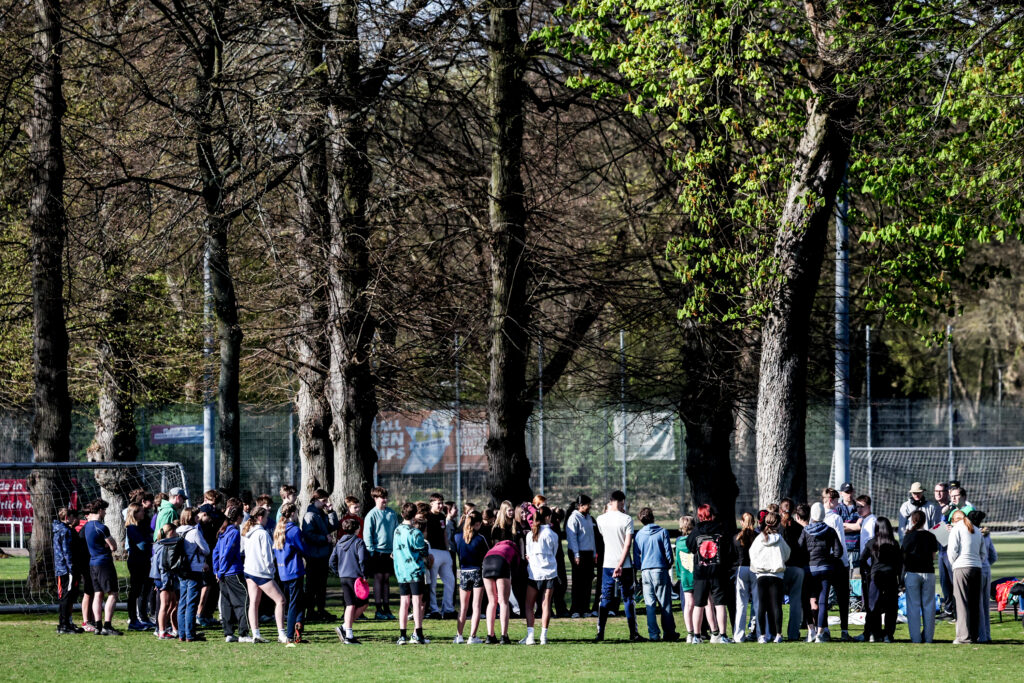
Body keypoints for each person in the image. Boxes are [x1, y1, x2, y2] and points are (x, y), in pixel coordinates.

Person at [595, 490, 643, 642]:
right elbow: (627, 544)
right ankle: (633, 633)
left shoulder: (600, 519)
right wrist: (621, 564)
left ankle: (600, 633)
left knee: (605, 599)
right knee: (628, 599)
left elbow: (604, 537)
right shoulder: (627, 519)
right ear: (622, 501)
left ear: (610, 501)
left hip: (607, 564)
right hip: (625, 565)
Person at [685, 503, 734, 644]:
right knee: (720, 604)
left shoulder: (696, 531)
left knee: (699, 605)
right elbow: (728, 549)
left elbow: (690, 546)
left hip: (701, 573)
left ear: (699, 515)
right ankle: (723, 635)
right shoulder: (720, 529)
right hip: (718, 572)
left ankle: (696, 636)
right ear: (711, 514)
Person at [241, 506, 286, 643]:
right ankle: (281, 634)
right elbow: (268, 557)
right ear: (260, 518)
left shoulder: (247, 531)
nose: (267, 520)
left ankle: (256, 634)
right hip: (261, 572)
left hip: (249, 570)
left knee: (254, 602)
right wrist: (271, 571)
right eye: (266, 517)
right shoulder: (263, 534)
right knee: (280, 600)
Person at [800, 501, 843, 642]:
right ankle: (820, 632)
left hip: (810, 569)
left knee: (808, 599)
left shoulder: (806, 531)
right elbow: (839, 551)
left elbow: (800, 548)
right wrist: (830, 559)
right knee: (823, 601)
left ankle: (810, 629)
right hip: (825, 568)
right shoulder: (830, 531)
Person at [635, 506, 678, 642]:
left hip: (646, 570)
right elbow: (668, 553)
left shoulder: (639, 535)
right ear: (653, 517)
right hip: (660, 569)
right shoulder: (662, 532)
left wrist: (640, 567)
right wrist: (668, 564)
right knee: (665, 603)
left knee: (650, 604)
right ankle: (669, 632)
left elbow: (636, 557)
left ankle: (653, 634)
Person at [82, 499, 122, 636]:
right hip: (104, 563)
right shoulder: (101, 527)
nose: (105, 513)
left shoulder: (86, 526)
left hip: (92, 563)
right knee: (113, 594)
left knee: (98, 594)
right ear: (100, 511)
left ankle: (98, 625)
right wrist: (108, 545)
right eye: (104, 510)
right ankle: (107, 625)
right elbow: (114, 546)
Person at [749, 511, 790, 643]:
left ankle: (762, 636)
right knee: (776, 605)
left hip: (762, 575)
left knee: (762, 606)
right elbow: (787, 553)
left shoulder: (759, 539)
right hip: (776, 575)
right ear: (777, 524)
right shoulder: (780, 539)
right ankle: (778, 634)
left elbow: (752, 554)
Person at [393, 501, 430, 644]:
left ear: (402, 514)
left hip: (401, 571)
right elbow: (423, 550)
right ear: (415, 515)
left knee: (404, 602)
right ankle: (418, 633)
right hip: (415, 571)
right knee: (416, 601)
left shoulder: (397, 530)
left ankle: (402, 635)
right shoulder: (416, 533)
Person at [522, 506, 558, 645]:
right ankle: (543, 636)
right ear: (548, 517)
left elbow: (528, 554)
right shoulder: (552, 535)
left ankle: (530, 636)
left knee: (529, 605)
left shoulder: (530, 534)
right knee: (546, 604)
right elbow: (554, 553)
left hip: (534, 573)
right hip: (549, 573)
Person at [273, 502, 308, 645]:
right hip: (294, 570)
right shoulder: (294, 531)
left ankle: (298, 629)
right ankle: (290, 635)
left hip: (283, 571)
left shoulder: (278, 529)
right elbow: (303, 549)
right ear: (293, 513)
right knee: (294, 603)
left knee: (299, 601)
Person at [212, 505, 249, 642]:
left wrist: (217, 570)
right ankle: (243, 633)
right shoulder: (233, 531)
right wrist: (220, 571)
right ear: (238, 517)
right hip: (232, 572)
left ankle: (229, 633)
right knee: (244, 600)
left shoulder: (224, 530)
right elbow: (228, 552)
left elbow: (215, 552)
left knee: (226, 603)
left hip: (223, 574)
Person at [329, 516, 369, 644]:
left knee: (351, 604)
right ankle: (348, 633)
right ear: (357, 529)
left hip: (344, 577)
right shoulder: (359, 542)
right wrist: (364, 574)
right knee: (359, 604)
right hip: (355, 577)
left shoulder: (339, 543)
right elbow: (362, 560)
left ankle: (346, 628)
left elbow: (331, 561)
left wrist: (338, 572)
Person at [861, 517, 901, 642]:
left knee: (874, 606)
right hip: (890, 577)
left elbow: (862, 560)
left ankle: (874, 633)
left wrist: (869, 570)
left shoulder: (871, 543)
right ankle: (888, 634)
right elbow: (899, 563)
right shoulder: (894, 544)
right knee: (891, 608)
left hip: (876, 576)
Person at [821, 487, 853, 640]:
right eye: (835, 500)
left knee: (824, 597)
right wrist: (845, 562)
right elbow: (841, 542)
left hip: (822, 561)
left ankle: (824, 629)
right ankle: (844, 630)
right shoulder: (835, 518)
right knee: (842, 597)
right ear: (830, 500)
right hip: (837, 561)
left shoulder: (817, 517)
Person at [301, 488, 338, 622]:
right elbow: (308, 535)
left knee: (321, 586)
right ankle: (311, 612)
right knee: (312, 586)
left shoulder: (321, 514)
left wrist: (331, 512)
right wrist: (324, 539)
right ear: (315, 500)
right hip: (314, 556)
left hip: (322, 555)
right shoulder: (310, 515)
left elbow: (333, 526)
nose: (326, 503)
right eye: (323, 501)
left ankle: (320, 610)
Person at [901, 509, 938, 643]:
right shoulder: (931, 536)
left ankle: (915, 638)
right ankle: (928, 638)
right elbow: (933, 556)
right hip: (928, 572)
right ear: (924, 521)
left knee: (913, 606)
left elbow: (903, 556)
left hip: (912, 572)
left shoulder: (908, 536)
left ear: (912, 521)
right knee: (929, 606)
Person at [174, 507, 210, 642]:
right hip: (194, 568)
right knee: (192, 602)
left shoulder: (177, 531)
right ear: (192, 517)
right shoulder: (194, 532)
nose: (198, 518)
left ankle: (182, 633)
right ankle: (190, 634)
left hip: (180, 569)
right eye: (196, 516)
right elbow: (205, 550)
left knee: (182, 601)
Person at [947, 509, 983, 644]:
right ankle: (974, 635)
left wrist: (954, 565)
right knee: (974, 603)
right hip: (976, 568)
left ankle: (963, 637)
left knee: (961, 603)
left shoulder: (957, 529)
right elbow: (983, 553)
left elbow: (952, 551)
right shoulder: (977, 530)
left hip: (961, 567)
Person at [364, 486, 399, 620]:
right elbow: (367, 535)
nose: (384, 500)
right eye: (381, 497)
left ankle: (387, 608)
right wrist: (371, 550)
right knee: (379, 579)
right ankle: (378, 609)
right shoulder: (371, 515)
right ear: (375, 498)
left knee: (386, 580)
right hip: (377, 552)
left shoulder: (391, 513)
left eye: (385, 497)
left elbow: (396, 532)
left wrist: (395, 549)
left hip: (390, 552)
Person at [454, 510, 489, 644]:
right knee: (476, 606)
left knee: (463, 607)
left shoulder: (458, 537)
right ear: (478, 523)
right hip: (477, 571)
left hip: (463, 572)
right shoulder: (480, 538)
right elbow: (487, 554)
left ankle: (459, 635)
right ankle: (472, 636)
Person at [969, 510, 998, 643]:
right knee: (986, 604)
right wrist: (986, 564)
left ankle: (981, 636)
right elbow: (994, 556)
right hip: (987, 569)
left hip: (976, 570)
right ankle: (987, 634)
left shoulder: (972, 534)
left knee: (978, 604)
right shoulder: (986, 535)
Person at [425, 493, 456, 619]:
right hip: (432, 551)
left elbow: (444, 533)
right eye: (438, 503)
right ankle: (434, 609)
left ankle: (448, 609)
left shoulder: (442, 516)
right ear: (431, 503)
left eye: (442, 503)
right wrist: (427, 552)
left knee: (451, 580)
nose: (441, 505)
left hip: (443, 551)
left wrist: (447, 548)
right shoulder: (427, 516)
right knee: (432, 583)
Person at [566, 494, 597, 618]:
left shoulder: (589, 518)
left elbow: (592, 537)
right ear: (580, 506)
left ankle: (585, 608)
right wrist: (576, 554)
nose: (589, 507)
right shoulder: (574, 518)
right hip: (579, 553)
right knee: (578, 582)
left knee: (587, 583)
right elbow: (572, 538)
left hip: (589, 553)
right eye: (587, 505)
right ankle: (575, 609)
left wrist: (594, 553)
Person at [124, 502, 154, 631]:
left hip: (144, 561)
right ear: (134, 513)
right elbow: (142, 545)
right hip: (137, 562)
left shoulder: (142, 526)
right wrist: (150, 541)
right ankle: (133, 620)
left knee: (145, 589)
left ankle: (142, 617)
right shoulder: (132, 528)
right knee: (135, 590)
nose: (143, 513)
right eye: (141, 511)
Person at [53, 507, 83, 635]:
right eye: (74, 516)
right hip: (66, 570)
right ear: (67, 517)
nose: (77, 519)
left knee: (70, 596)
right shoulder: (64, 531)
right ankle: (63, 624)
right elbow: (66, 552)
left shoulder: (66, 530)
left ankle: (68, 622)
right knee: (66, 596)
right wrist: (71, 569)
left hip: (67, 568)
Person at [732, 512, 759, 643]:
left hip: (741, 569)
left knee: (741, 604)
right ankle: (760, 633)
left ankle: (738, 635)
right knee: (757, 603)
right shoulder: (758, 537)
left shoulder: (736, 538)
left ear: (742, 522)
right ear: (753, 522)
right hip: (755, 569)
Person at [780, 504, 805, 642]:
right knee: (795, 602)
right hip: (797, 567)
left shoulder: (777, 528)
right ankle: (794, 633)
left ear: (780, 510)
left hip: (780, 569)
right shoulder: (800, 528)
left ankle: (775, 631)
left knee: (776, 601)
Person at [151, 524, 179, 639]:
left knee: (173, 603)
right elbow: (163, 566)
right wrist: (165, 582)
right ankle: (161, 631)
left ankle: (170, 628)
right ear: (171, 532)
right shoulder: (164, 547)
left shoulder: (159, 545)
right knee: (164, 605)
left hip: (163, 578)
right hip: (164, 579)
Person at [675, 516, 698, 642]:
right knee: (700, 604)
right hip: (696, 574)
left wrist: (679, 574)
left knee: (688, 604)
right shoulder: (695, 540)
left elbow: (678, 561)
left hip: (685, 574)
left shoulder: (679, 542)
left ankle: (690, 632)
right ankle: (698, 630)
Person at [933, 481, 955, 616]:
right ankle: (948, 608)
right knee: (944, 581)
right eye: (936, 491)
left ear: (947, 493)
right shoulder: (935, 508)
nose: (939, 494)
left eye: (941, 491)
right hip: (940, 549)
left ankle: (957, 609)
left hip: (950, 549)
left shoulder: (952, 508)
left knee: (953, 580)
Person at [837, 483, 861, 565]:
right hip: (843, 549)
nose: (849, 494)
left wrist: (843, 525)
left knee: (855, 577)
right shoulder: (837, 508)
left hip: (856, 548)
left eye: (850, 492)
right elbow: (836, 528)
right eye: (847, 492)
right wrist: (855, 526)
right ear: (841, 493)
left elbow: (859, 526)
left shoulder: (859, 507)